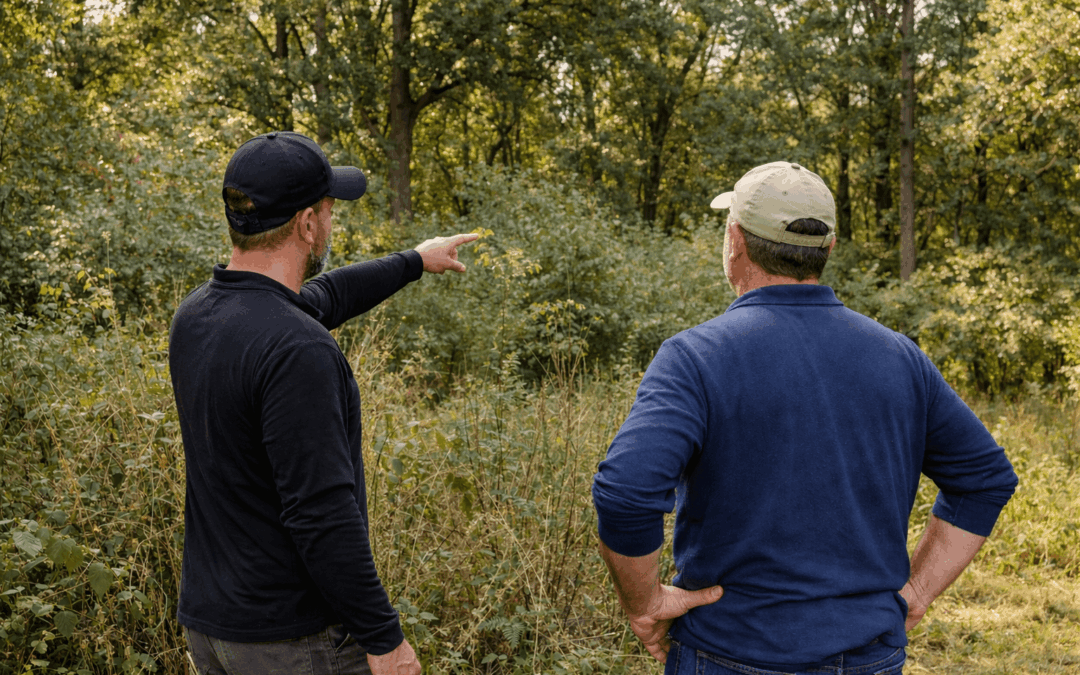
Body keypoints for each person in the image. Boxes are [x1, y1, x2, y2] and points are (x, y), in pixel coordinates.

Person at [591, 161, 1018, 675]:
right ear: (829, 248)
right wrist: (916, 594)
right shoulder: (900, 358)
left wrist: (646, 606)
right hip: (869, 656)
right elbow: (985, 480)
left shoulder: (694, 358)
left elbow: (626, 493)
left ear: (735, 242)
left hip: (728, 651)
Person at [169, 131, 477, 675]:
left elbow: (325, 296)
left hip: (213, 630)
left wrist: (414, 260)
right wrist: (386, 641)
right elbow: (321, 516)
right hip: (293, 643)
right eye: (330, 209)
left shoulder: (198, 315)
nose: (331, 222)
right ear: (308, 224)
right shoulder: (298, 350)